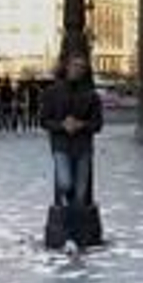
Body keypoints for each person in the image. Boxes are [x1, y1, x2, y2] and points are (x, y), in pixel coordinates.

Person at [40, 53, 104, 253]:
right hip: (61, 145)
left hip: (83, 146)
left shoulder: (91, 95)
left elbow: (98, 123)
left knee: (80, 193)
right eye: (75, 66)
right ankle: (69, 232)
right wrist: (61, 125)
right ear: (66, 67)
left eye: (82, 67)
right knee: (65, 183)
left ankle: (75, 236)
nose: (78, 70)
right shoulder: (53, 92)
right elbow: (44, 120)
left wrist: (81, 124)